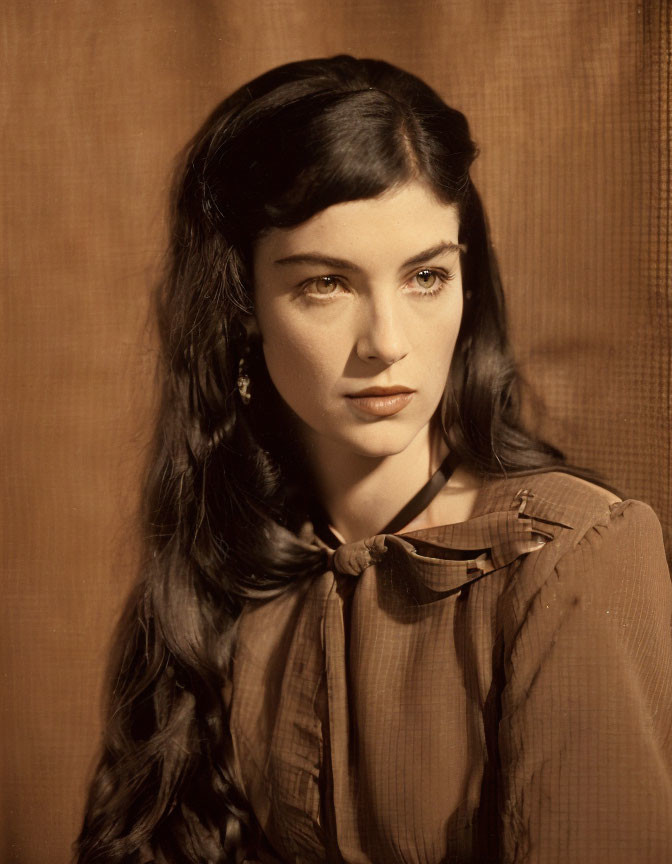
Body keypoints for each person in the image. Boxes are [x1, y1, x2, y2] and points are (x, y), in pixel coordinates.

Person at [76, 55, 672, 864]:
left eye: (427, 275)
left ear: (470, 284)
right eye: (327, 283)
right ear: (243, 305)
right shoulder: (214, 569)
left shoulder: (574, 558)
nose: (387, 344)